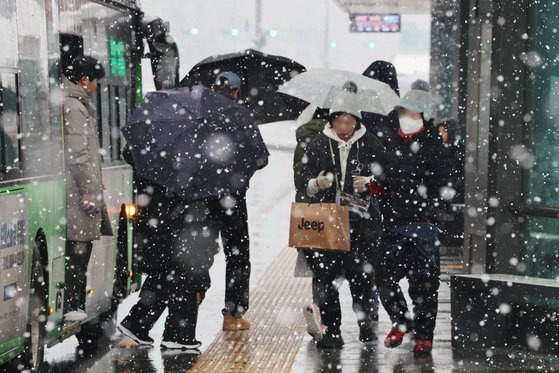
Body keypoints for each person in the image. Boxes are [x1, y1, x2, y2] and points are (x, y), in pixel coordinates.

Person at [375, 79, 459, 355]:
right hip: (395, 225)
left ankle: (424, 335)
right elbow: (384, 179)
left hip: (423, 227)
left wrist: (430, 212)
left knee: (424, 286)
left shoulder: (435, 147)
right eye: (403, 113)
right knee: (385, 276)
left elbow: (445, 187)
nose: (406, 119)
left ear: (423, 116)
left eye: (412, 114)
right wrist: (377, 187)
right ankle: (401, 321)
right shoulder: (391, 142)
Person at [301, 83, 386, 348]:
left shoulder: (371, 143)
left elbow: (387, 181)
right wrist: (316, 183)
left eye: (348, 121)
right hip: (327, 221)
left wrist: (370, 182)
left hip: (361, 222)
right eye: (339, 120)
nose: (344, 127)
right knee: (325, 277)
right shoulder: (318, 144)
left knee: (360, 275)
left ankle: (366, 324)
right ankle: (332, 331)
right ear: (332, 120)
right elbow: (302, 181)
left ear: (356, 121)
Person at [118, 187, 219, 351]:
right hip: (181, 229)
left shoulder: (164, 174)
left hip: (167, 227)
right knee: (186, 276)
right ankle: (177, 334)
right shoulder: (197, 179)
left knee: (170, 275)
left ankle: (140, 325)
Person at [62, 56, 113, 322]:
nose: (96, 87)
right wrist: (90, 187)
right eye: (95, 81)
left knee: (80, 247)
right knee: (79, 247)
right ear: (84, 80)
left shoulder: (74, 103)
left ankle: (74, 304)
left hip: (77, 188)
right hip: (76, 193)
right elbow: (77, 153)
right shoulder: (74, 107)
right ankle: (72, 305)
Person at [209, 71, 258, 331]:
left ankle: (186, 313)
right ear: (237, 92)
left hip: (202, 196)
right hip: (232, 197)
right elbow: (260, 157)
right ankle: (233, 314)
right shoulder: (242, 117)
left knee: (197, 255)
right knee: (238, 254)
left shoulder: (200, 116)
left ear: (212, 89)